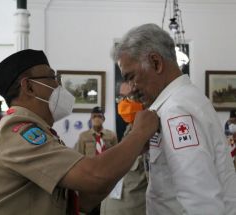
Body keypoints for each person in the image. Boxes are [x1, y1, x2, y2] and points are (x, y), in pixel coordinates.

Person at [0, 49, 159, 215]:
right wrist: (139, 133)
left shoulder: (43, 133)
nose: (58, 86)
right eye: (52, 78)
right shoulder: (16, 132)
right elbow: (94, 176)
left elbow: (85, 200)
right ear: (29, 87)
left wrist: (132, 149)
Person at [112, 23, 236, 215]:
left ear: (155, 62)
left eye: (131, 77)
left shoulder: (175, 110)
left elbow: (199, 199)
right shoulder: (180, 101)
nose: (131, 88)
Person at [101, 82, 147, 215]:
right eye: (121, 97)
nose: (124, 103)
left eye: (130, 97)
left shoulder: (151, 130)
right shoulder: (131, 128)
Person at [74, 106, 117, 215]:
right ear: (90, 119)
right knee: (90, 205)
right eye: (94, 116)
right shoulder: (84, 136)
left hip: (107, 174)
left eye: (99, 116)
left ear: (104, 119)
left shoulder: (111, 135)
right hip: (90, 174)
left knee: (105, 203)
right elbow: (79, 156)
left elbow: (115, 156)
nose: (97, 119)